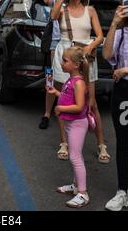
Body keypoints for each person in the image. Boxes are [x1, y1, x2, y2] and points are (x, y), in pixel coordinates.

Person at [51, 0, 110, 163]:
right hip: (65, 56)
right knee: (63, 98)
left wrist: (91, 47)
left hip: (85, 58)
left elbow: (100, 35)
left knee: (91, 103)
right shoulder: (62, 9)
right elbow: (52, 16)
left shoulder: (90, 10)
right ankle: (64, 142)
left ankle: (102, 145)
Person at [47, 46, 90, 208]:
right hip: (71, 123)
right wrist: (56, 93)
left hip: (77, 124)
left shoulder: (79, 83)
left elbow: (79, 106)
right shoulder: (71, 80)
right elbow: (67, 97)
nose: (61, 63)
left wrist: (60, 108)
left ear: (76, 65)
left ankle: (83, 193)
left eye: (65, 60)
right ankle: (76, 185)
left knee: (75, 157)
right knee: (74, 155)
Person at [39, 0, 75, 129]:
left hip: (74, 43)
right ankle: (47, 113)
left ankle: (70, 110)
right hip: (55, 43)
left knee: (72, 80)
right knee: (51, 79)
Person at [103, 5, 128, 211]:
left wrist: (126, 69)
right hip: (123, 91)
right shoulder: (122, 28)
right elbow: (107, 54)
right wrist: (114, 23)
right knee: (123, 141)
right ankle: (123, 191)